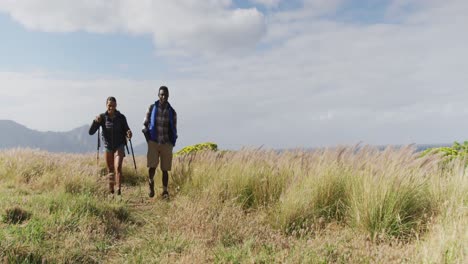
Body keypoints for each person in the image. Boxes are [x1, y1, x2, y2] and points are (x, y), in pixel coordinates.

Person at [89, 96, 132, 196]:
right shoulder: (102, 117)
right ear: (106, 105)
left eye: (113, 105)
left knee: (118, 167)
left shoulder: (121, 117)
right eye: (109, 105)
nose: (111, 108)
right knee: (110, 169)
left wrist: (129, 133)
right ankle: (111, 191)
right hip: (108, 146)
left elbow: (127, 130)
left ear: (116, 105)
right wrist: (95, 121)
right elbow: (91, 132)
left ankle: (118, 190)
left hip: (119, 145)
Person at [142, 86, 178, 199]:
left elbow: (174, 129)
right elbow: (145, 124)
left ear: (168, 96)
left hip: (166, 143)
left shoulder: (172, 112)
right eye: (161, 94)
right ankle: (151, 182)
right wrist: (148, 139)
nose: (163, 96)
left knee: (165, 169)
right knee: (152, 167)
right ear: (158, 95)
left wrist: (172, 142)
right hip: (153, 141)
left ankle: (165, 191)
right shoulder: (152, 107)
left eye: (165, 95)